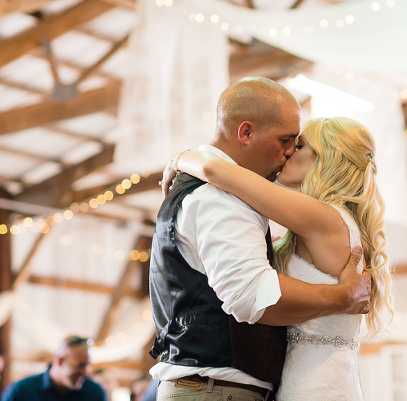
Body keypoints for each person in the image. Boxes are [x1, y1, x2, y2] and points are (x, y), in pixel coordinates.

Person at [149, 77, 373, 401]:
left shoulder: (322, 217)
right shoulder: (219, 196)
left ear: (327, 161)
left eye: (299, 145)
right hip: (219, 389)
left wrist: (185, 157)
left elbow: (217, 170)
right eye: (287, 141)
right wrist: (341, 297)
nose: (289, 153)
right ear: (246, 133)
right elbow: (250, 295)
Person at [0, 336, 106, 401]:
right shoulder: (21, 391)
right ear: (60, 361)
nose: (86, 373)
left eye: (88, 365)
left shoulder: (95, 393)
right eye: (80, 365)